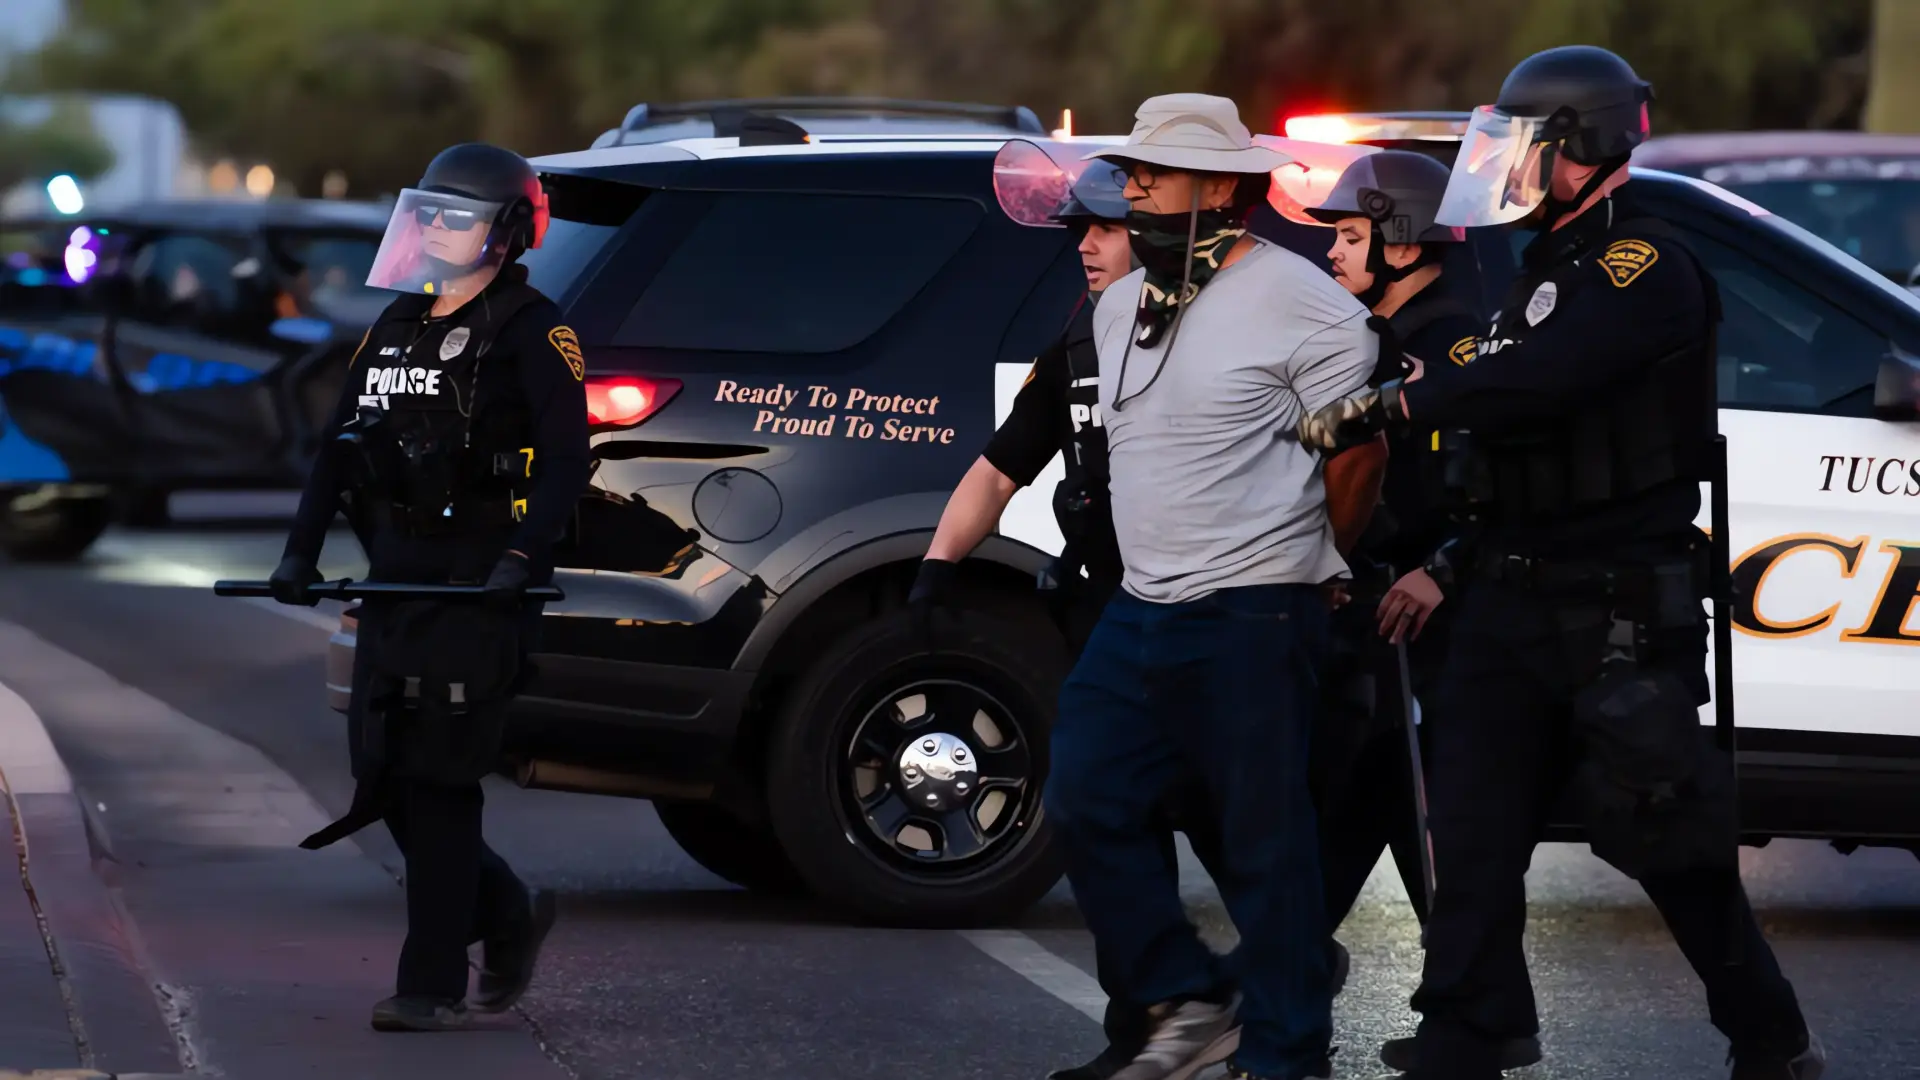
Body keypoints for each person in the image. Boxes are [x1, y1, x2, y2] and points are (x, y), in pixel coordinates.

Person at [1296, 46, 1825, 1080]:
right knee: (1473, 831)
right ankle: (1469, 1030)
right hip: (1509, 589)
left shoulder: (1643, 268)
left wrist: (1399, 401)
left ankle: (1771, 1037)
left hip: (1618, 605)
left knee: (1666, 838)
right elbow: (1504, 431)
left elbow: (1534, 382)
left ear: (1581, 147)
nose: (1510, 169)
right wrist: (1454, 560)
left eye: (1527, 148)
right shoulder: (1548, 270)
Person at [1045, 94, 1382, 1080]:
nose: (1134, 186)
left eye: (1155, 172)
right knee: (1084, 794)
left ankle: (1286, 1056)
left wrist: (1316, 557)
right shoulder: (1118, 305)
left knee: (1265, 845)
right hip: (1141, 605)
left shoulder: (1307, 304)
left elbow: (1358, 456)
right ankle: (1192, 993)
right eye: (1134, 170)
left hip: (1253, 608)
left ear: (1225, 188)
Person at [910, 157, 1239, 1080]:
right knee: (1101, 811)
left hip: (1208, 614)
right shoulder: (1085, 336)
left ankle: (1274, 989)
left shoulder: (1221, 327)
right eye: (1075, 233)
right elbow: (1002, 463)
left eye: (1099, 229)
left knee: (1230, 822)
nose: (1084, 247)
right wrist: (939, 565)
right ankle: (1146, 1029)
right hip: (1113, 613)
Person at [266, 143, 590, 1033]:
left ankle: (432, 980)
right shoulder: (395, 324)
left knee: (443, 780)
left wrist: (520, 561)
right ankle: (505, 911)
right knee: (384, 772)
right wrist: (299, 553)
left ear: (509, 232)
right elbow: (339, 448)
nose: (435, 227)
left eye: (458, 214)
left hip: (481, 583)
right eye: (429, 212)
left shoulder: (534, 328)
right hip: (398, 576)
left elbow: (567, 461)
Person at [1299, 150, 1543, 1074]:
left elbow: (1499, 483)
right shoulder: (1373, 335)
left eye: (1350, 236)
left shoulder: (1453, 346)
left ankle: (1479, 1015)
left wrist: (1442, 568)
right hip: (1376, 616)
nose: (1332, 253)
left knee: (1434, 813)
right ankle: (1287, 972)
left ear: (1402, 244)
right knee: (1373, 798)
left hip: (1437, 621)